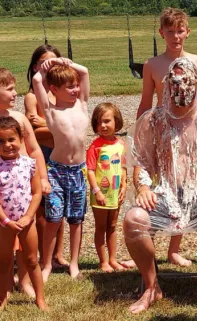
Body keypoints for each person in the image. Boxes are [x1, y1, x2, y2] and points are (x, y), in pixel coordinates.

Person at [124, 57, 197, 314]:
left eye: (187, 83)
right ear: (167, 85)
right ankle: (151, 286)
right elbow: (141, 163)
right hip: (166, 194)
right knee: (134, 219)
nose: (181, 89)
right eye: (175, 83)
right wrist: (144, 188)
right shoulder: (153, 120)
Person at [136, 8, 197, 267]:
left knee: (188, 183)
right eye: (170, 31)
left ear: (188, 32)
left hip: (193, 134)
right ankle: (151, 244)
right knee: (166, 184)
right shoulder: (152, 65)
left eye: (180, 30)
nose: (175, 36)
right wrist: (142, 134)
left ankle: (175, 248)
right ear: (161, 33)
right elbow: (146, 103)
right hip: (164, 132)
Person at [32, 57, 90, 281]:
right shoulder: (51, 110)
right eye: (69, 87)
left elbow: (84, 71)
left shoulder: (82, 104)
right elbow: (38, 81)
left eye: (76, 85)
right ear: (54, 89)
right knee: (54, 218)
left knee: (76, 219)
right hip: (56, 170)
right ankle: (46, 264)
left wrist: (65, 62)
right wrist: (46, 67)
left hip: (79, 171)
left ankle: (74, 263)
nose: (75, 89)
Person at [0, 116, 48, 311]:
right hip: (4, 223)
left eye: (11, 139)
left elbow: (36, 193)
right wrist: (5, 220)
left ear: (21, 139)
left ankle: (40, 299)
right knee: (4, 261)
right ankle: (2, 298)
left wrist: (28, 217)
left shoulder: (30, 164)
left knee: (31, 259)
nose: (7, 145)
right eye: (1, 141)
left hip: (27, 221)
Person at [86, 103, 128, 272]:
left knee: (112, 226)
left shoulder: (122, 145)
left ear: (116, 122)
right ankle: (103, 261)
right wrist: (97, 191)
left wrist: (124, 186)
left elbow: (124, 168)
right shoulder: (95, 146)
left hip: (115, 193)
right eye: (98, 122)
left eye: (107, 121)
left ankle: (113, 259)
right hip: (101, 195)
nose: (102, 125)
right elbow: (89, 170)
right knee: (101, 227)